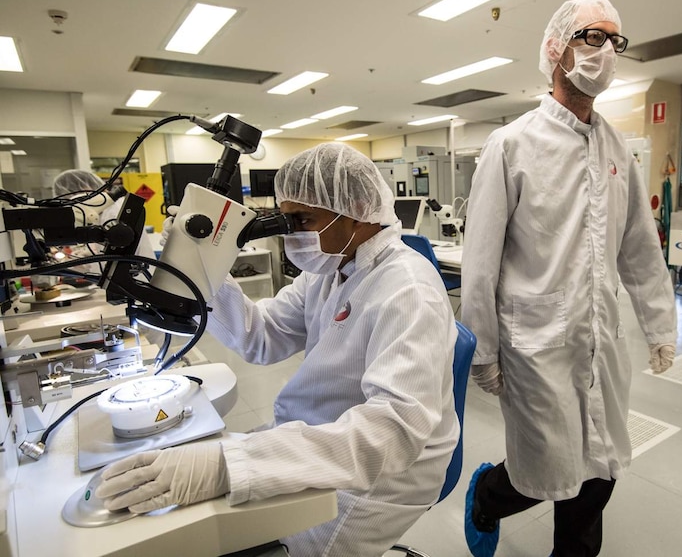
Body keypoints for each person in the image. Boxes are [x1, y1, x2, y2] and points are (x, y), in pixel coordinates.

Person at [95, 143, 460, 557]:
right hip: (321, 437)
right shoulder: (330, 269)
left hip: (382, 471)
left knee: (256, 535)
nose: (292, 233)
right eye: (287, 219)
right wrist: (203, 270)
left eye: (303, 219)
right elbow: (260, 336)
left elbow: (393, 432)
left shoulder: (406, 289)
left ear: (358, 207)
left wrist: (230, 466)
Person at [459, 0, 677, 557]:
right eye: (591, 37)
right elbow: (480, 260)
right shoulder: (511, 145)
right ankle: (488, 492)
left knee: (597, 474)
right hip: (535, 346)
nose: (605, 51)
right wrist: (481, 350)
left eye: (614, 40)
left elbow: (639, 246)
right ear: (557, 49)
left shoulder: (616, 149)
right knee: (544, 472)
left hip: (600, 342)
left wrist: (659, 325)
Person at [51, 169, 156, 267]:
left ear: (85, 188)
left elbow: (118, 255)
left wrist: (87, 261)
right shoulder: (102, 211)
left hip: (136, 276)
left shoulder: (114, 211)